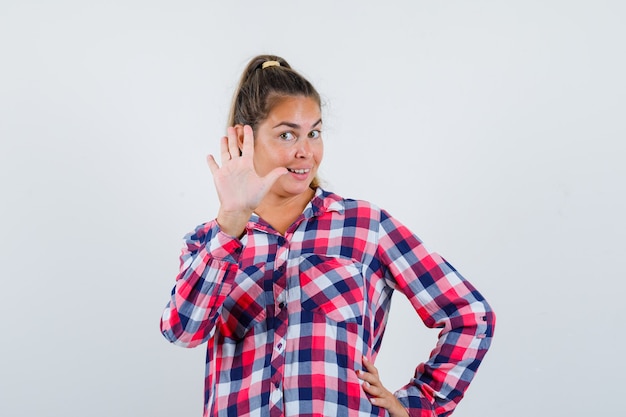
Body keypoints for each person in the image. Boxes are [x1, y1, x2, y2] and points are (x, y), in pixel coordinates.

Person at [160, 54, 495, 417]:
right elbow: (183, 332)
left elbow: (471, 315)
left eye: (314, 133)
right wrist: (231, 220)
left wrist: (417, 405)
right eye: (287, 134)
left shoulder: (365, 226)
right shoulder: (209, 242)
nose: (306, 152)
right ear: (246, 137)